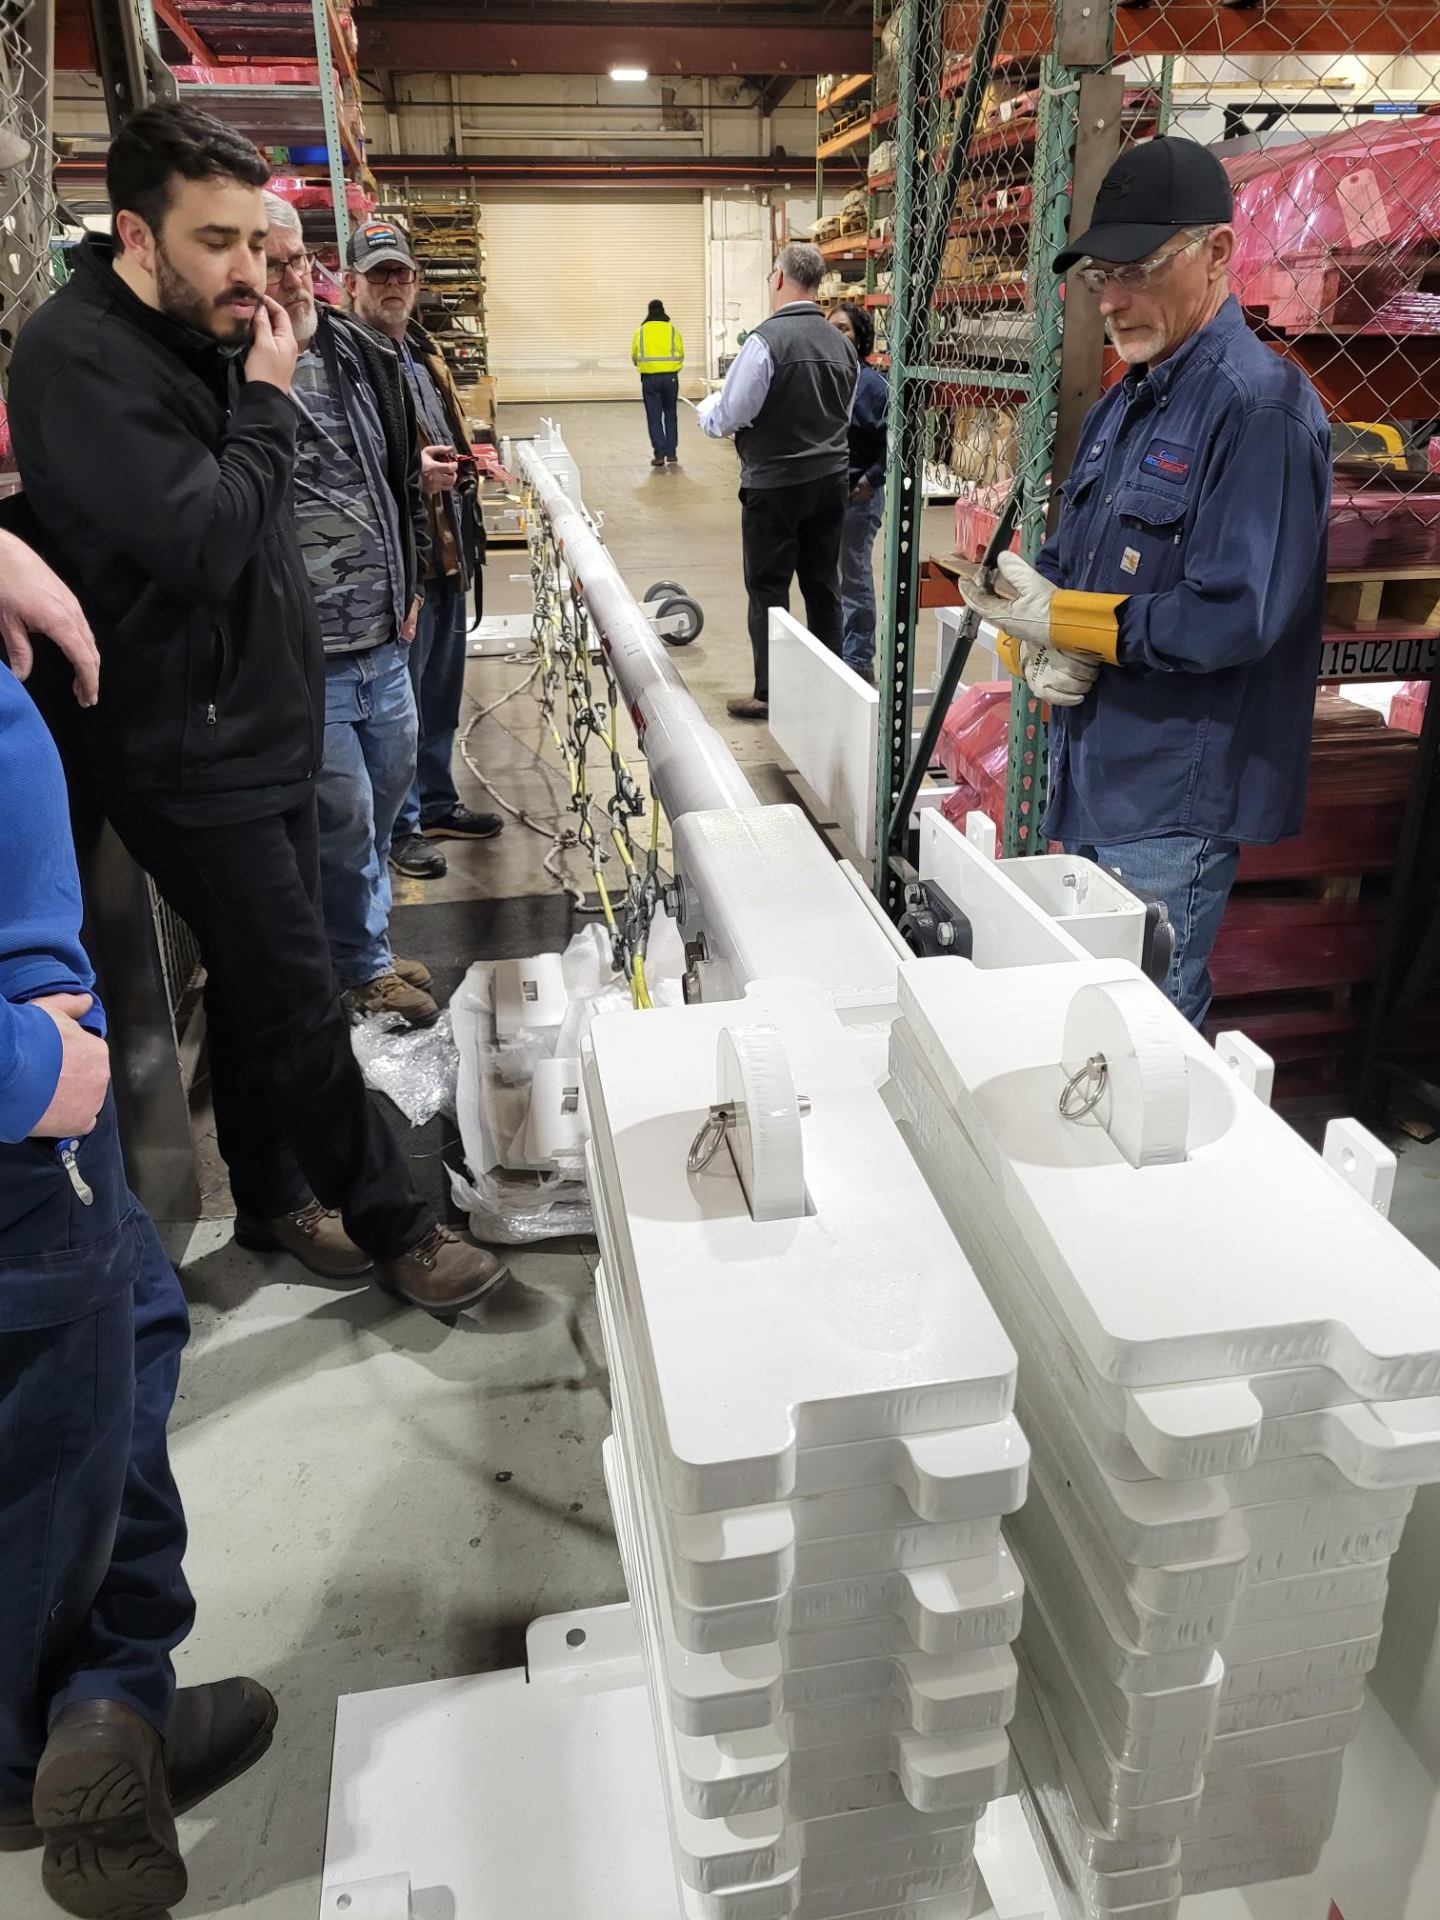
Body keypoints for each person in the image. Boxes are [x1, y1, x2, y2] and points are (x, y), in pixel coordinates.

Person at [10, 102, 505, 1313]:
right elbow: (204, 537)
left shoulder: (189, 333)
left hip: (254, 720)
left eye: (259, 242)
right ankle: (397, 1222)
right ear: (136, 232)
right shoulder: (79, 356)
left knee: (253, 978)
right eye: (219, 242)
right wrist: (272, 395)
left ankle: (280, 1196)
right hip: (186, 743)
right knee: (292, 985)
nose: (249, 270)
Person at [0, 530, 276, 1917]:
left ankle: (103, 1707)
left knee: (124, 1342)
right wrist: (28, 1072)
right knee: (78, 1413)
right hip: (23, 1108)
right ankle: (84, 1725)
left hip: (41, 1075)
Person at [960, 137, 1330, 1027]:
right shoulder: (1131, 399)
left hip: (1174, 793)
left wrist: (1073, 624)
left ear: (1215, 254)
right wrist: (1030, 618)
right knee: (1089, 1005)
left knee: (1144, 1025)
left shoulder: (1260, 411)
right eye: (1098, 276)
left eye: (1136, 270)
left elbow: (1233, 616)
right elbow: (1079, 554)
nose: (1113, 298)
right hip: (1095, 766)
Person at [259, 194, 437, 1027]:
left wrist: (405, 585)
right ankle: (360, 967)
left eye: (299, 261)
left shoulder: (356, 350)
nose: (293, 278)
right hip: (312, 654)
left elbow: (393, 474)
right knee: (343, 813)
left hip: (382, 639)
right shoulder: (236, 364)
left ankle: (361, 942)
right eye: (272, 263)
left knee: (384, 799)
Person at [338, 215, 502, 882]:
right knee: (397, 712)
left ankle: (435, 802)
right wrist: (414, 476)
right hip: (399, 564)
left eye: (402, 272)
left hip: (446, 553)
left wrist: (465, 464)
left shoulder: (420, 350)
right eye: (378, 274)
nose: (393, 285)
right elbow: (342, 466)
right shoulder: (349, 359)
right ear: (351, 283)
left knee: (438, 694)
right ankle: (402, 826)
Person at [698, 241, 858, 721]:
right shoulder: (841, 344)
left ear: (780, 279)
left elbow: (735, 411)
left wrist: (711, 419)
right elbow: (843, 412)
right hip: (831, 479)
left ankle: (771, 693)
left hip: (775, 483)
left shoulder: (765, 341)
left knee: (769, 589)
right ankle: (832, 685)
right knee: (823, 584)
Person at [828, 301, 887, 684]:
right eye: (830, 327)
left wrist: (871, 479)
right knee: (830, 578)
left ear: (860, 335)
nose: (835, 334)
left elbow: (893, 440)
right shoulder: (828, 378)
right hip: (827, 494)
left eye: (844, 328)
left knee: (853, 577)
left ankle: (858, 659)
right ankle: (836, 650)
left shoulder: (871, 385)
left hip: (857, 495)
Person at [632, 298, 684, 469]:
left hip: (649, 379)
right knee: (670, 413)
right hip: (670, 377)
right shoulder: (672, 330)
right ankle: (672, 453)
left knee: (654, 416)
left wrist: (643, 365)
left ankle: (659, 453)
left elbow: (634, 355)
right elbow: (681, 352)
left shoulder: (640, 331)